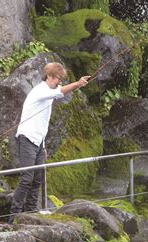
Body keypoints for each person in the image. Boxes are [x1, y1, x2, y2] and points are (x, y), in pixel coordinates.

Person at [10, 63, 90, 223]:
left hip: (38, 142)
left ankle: (31, 211)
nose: (59, 83)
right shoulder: (40, 91)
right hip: (26, 139)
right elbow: (59, 92)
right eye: (58, 79)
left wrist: (43, 146)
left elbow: (43, 122)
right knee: (27, 177)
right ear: (49, 76)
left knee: (38, 177)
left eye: (61, 80)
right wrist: (78, 84)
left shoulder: (48, 93)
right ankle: (13, 216)